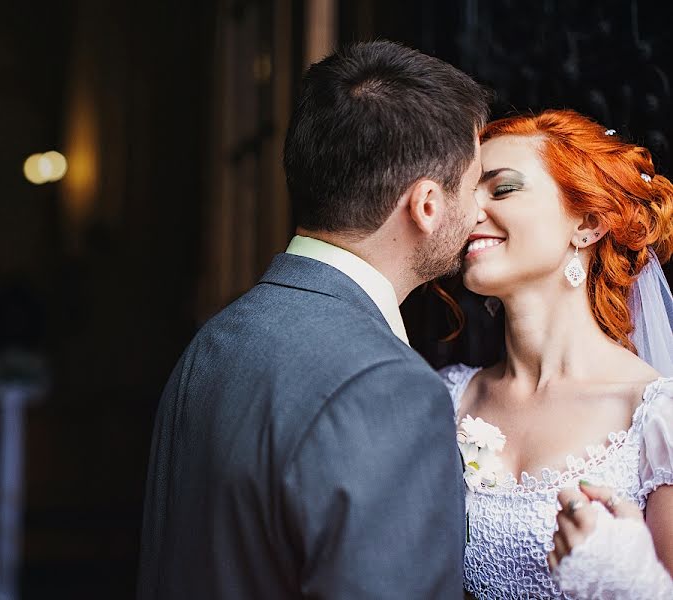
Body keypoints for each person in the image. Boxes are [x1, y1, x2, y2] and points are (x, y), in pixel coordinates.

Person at [137, 41, 490, 599]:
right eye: (473, 188)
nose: (479, 211)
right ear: (426, 204)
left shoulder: (217, 337)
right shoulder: (388, 388)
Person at [440, 109, 673, 598]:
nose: (468, 214)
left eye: (501, 190)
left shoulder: (657, 419)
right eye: (464, 196)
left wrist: (624, 582)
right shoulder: (445, 397)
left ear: (587, 223)